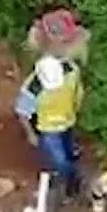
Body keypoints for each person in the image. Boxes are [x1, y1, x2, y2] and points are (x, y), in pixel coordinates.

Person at [15, 55, 84, 195]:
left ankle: (68, 167)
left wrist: (76, 108)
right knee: (60, 161)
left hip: (68, 121)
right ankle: (71, 177)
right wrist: (31, 134)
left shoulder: (71, 71)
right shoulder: (32, 89)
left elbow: (77, 91)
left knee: (68, 150)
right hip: (48, 130)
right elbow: (22, 112)